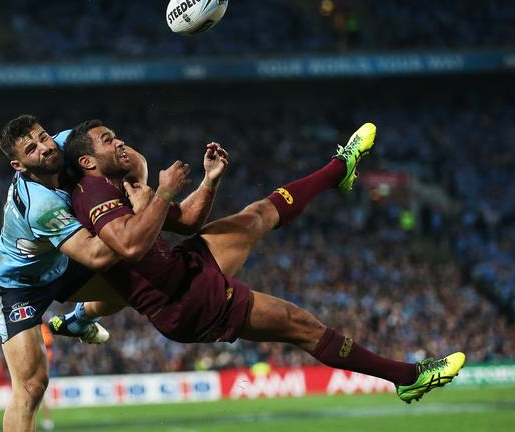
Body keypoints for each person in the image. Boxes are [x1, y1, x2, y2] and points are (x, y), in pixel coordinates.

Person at [57, 119, 465, 404]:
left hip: (183, 267)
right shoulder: (92, 196)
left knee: (257, 214)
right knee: (303, 327)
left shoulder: (120, 184)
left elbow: (187, 221)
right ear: (88, 161)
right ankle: (409, 378)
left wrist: (209, 181)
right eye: (108, 140)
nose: (120, 143)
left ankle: (338, 168)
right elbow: (131, 246)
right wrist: (160, 194)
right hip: (183, 299)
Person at [0, 114, 193, 432]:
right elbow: (95, 254)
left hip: (60, 262)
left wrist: (133, 186)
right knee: (31, 387)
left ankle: (78, 321)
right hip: (17, 286)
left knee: (130, 286)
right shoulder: (40, 204)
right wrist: (140, 212)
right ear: (19, 166)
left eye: (43, 136)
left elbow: (130, 158)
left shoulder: (69, 143)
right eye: (31, 148)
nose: (44, 147)